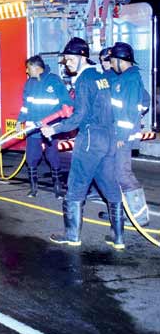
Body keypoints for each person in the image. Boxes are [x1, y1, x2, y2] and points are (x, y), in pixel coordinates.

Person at [41, 37, 125, 249]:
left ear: (81, 57)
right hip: (108, 137)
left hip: (90, 138)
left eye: (69, 59)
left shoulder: (84, 80)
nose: (67, 63)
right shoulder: (100, 76)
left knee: (76, 186)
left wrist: (55, 128)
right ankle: (118, 239)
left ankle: (72, 236)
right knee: (109, 186)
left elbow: (80, 116)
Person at [97, 42, 151, 227]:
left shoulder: (130, 80)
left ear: (121, 60)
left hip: (123, 137)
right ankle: (121, 212)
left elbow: (129, 113)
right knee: (113, 173)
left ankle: (140, 217)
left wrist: (122, 136)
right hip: (116, 134)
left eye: (112, 61)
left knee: (123, 174)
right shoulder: (125, 78)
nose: (110, 65)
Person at [16, 56, 72, 198]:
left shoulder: (54, 81)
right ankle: (33, 189)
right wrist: (20, 121)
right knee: (31, 157)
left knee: (53, 156)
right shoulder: (29, 84)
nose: (27, 72)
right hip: (33, 128)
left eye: (28, 69)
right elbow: (25, 106)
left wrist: (63, 122)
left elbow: (65, 102)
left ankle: (58, 189)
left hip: (50, 129)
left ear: (35, 67)